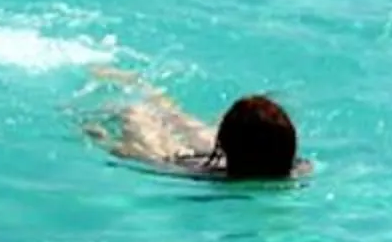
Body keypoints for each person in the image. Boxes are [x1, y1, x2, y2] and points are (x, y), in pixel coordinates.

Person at [82, 70, 306, 180]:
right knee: (139, 116)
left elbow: (126, 153)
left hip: (198, 160)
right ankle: (142, 89)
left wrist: (100, 136)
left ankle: (145, 87)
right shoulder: (300, 171)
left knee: (155, 114)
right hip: (203, 161)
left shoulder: (302, 168)